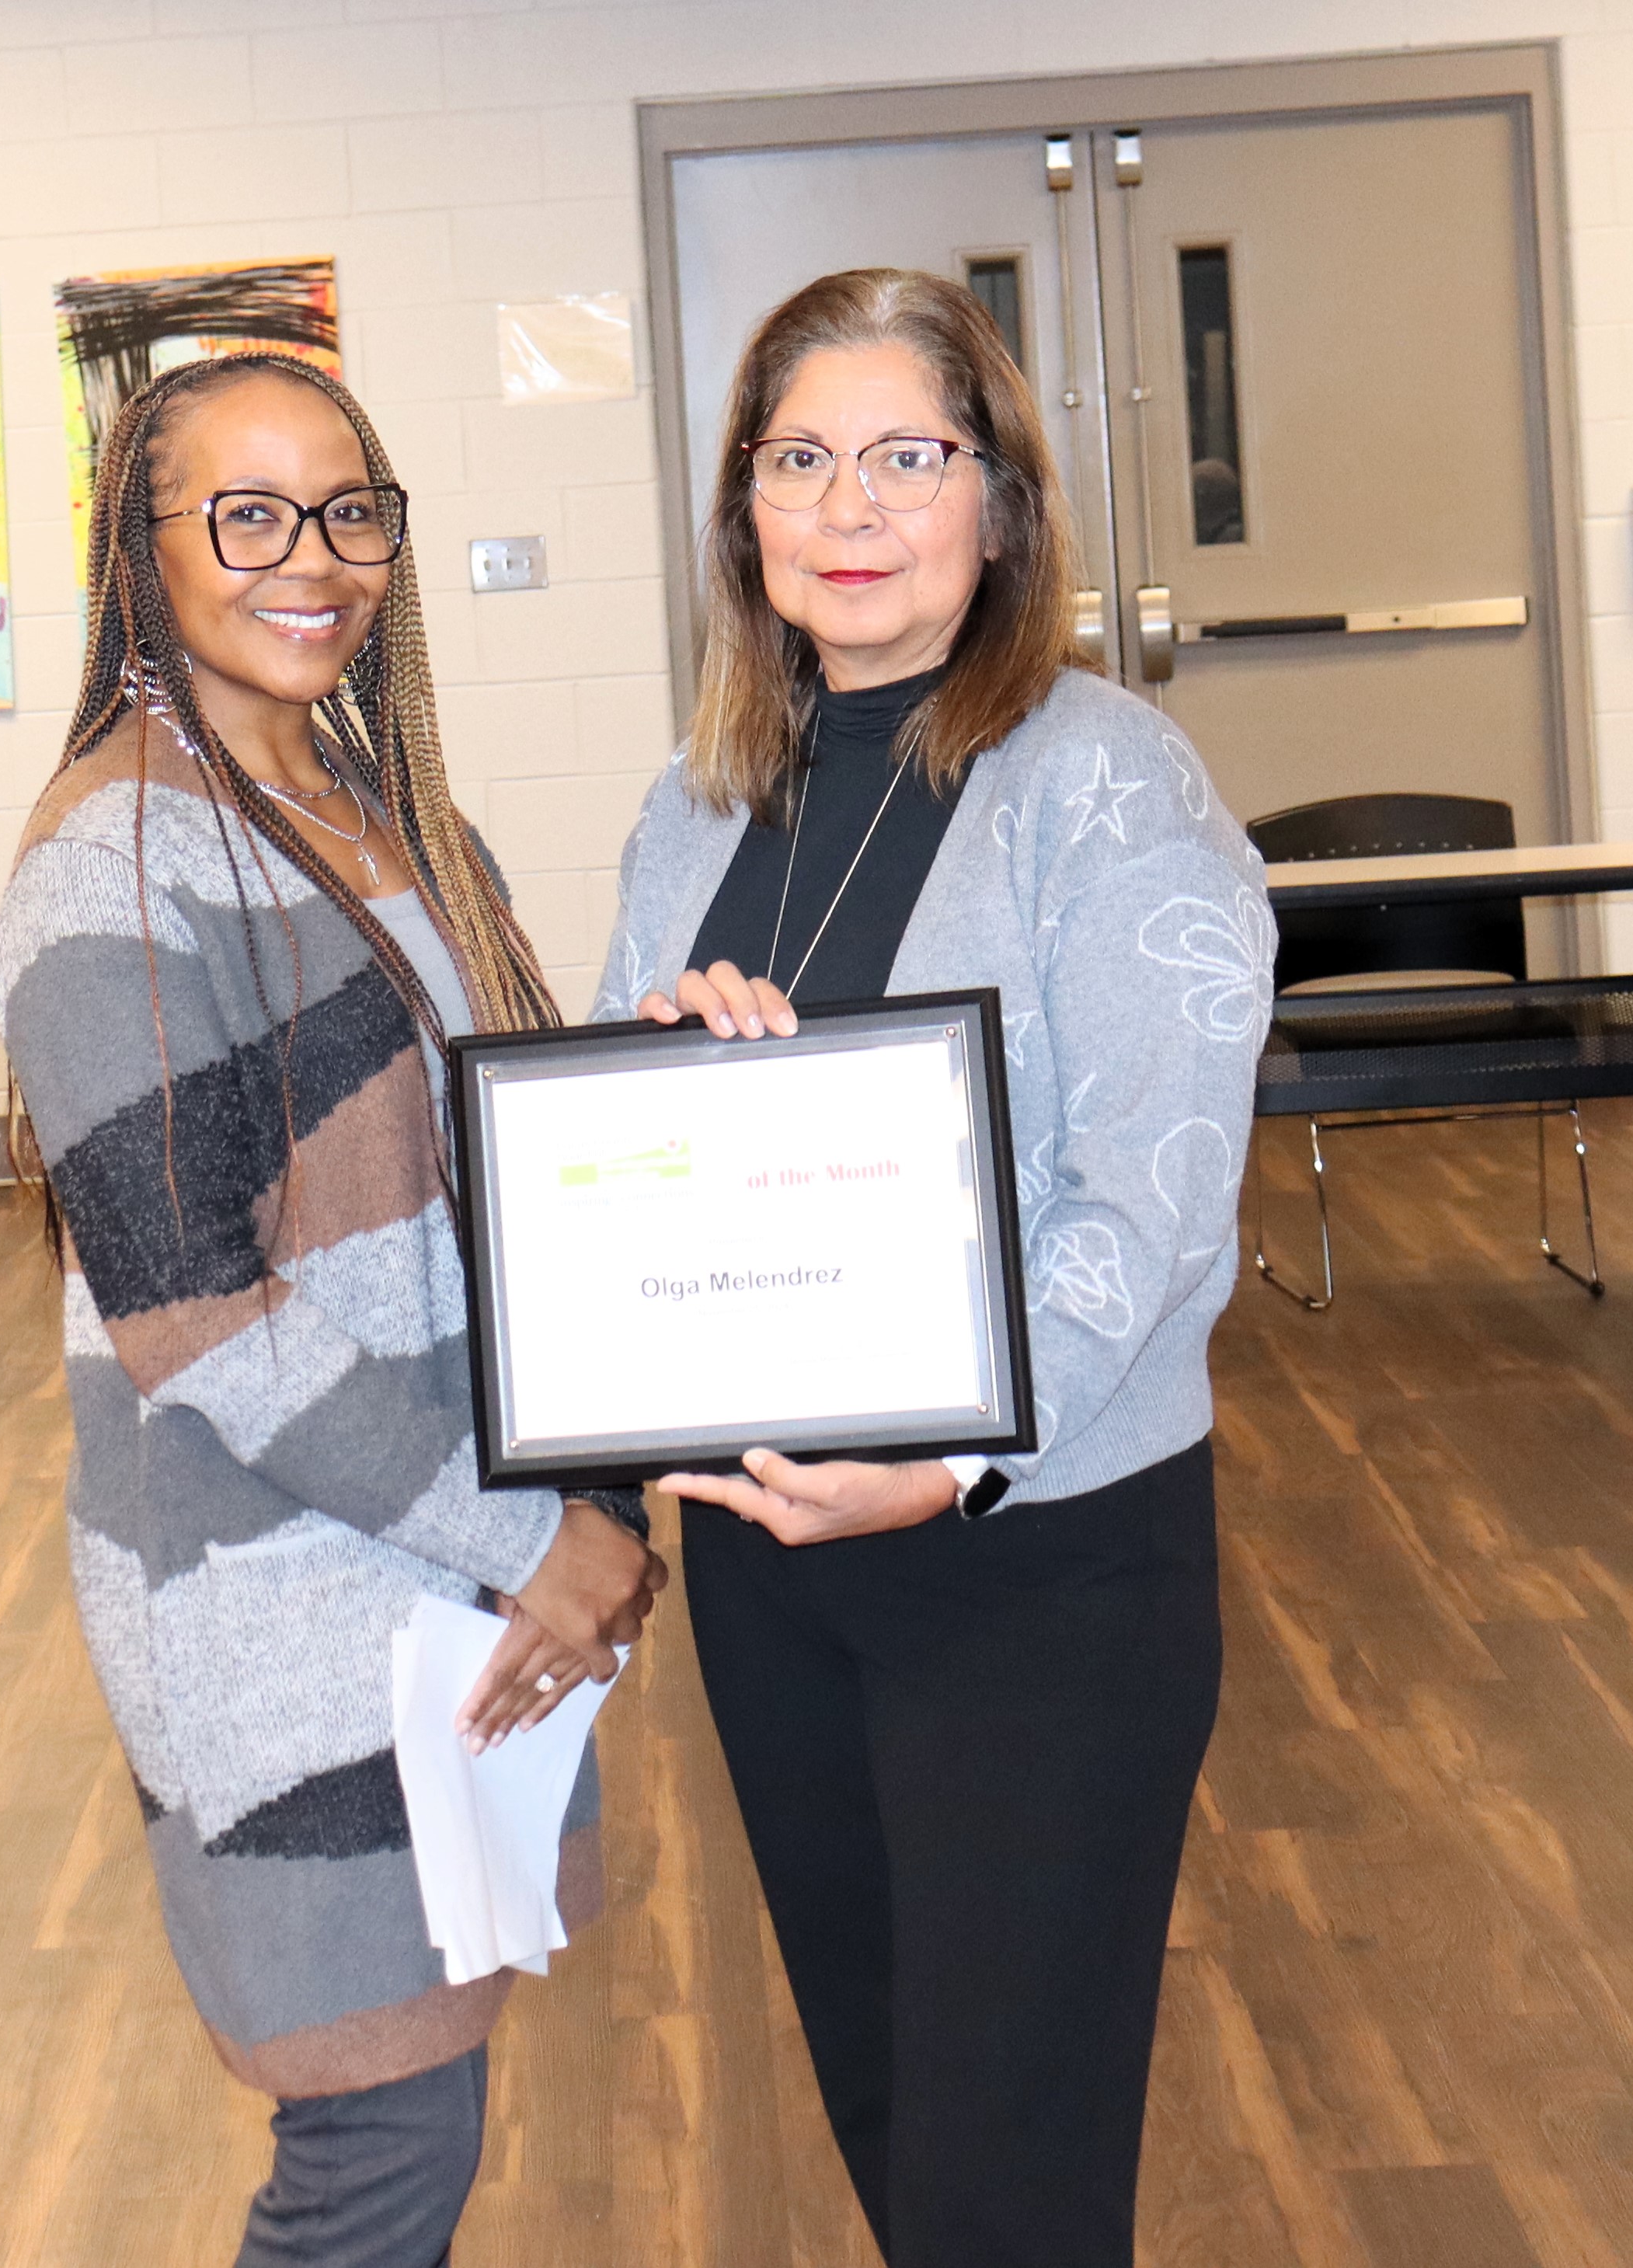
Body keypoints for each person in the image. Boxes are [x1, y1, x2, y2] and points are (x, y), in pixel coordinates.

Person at [592, 269, 1274, 2266]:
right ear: (745, 514)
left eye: (909, 452)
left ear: (999, 499)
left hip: (1038, 1562)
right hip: (776, 1564)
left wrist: (956, 1457)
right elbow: (648, 1168)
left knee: (1010, 2166)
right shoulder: (694, 802)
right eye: (799, 458)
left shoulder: (1106, 780)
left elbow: (1149, 1196)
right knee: (897, 2113)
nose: (851, 503)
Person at [0, 351, 668, 2268]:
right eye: (248, 513)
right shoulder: (112, 864)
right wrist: (534, 1532)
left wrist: (595, 1491)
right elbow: (195, 1312)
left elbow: (493, 1160)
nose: (315, 557)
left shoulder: (366, 797)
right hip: (276, 1606)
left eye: (350, 509)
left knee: (423, 2105)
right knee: (375, 2143)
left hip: (437, 1564)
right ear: (142, 552)